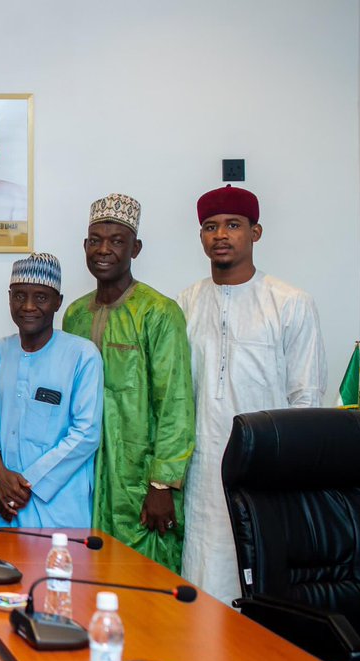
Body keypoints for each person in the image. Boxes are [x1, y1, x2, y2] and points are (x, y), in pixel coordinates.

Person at [179, 186, 326, 604]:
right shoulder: (186, 303)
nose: (220, 235)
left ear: (255, 232)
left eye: (232, 225)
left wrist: (291, 481)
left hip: (268, 473)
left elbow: (307, 401)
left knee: (266, 587)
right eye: (210, 227)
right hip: (204, 471)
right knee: (205, 584)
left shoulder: (291, 303)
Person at [62, 193, 195, 573]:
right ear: (85, 246)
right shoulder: (74, 314)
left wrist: (162, 486)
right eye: (96, 241)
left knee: (147, 584)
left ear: (135, 248)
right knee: (88, 576)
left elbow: (176, 401)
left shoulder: (159, 312)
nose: (104, 250)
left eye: (117, 241)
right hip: (86, 475)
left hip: (140, 479)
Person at [0, 253, 103, 529]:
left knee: (55, 571)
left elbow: (86, 433)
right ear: (9, 298)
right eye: (19, 296)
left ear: (58, 302)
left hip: (58, 509)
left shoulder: (82, 355)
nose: (28, 306)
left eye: (40, 297)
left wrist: (26, 484)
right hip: (1, 506)